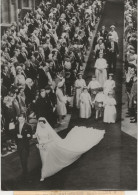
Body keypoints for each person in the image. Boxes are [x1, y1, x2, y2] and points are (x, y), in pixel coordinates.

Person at [34, 117, 105, 181]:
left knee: (47, 159)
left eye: (42, 123)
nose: (41, 125)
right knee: (44, 159)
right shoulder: (38, 131)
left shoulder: (48, 131)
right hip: (42, 147)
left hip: (48, 146)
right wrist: (39, 144)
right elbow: (38, 138)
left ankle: (44, 174)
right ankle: (45, 172)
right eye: (40, 124)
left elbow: (51, 139)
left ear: (45, 123)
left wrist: (43, 143)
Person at [15, 114, 32, 180]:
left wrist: (24, 136)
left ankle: (26, 174)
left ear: (24, 119)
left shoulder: (28, 126)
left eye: (21, 119)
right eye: (19, 119)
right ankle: (24, 171)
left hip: (25, 146)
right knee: (22, 160)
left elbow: (30, 136)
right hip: (19, 146)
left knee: (24, 160)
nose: (20, 120)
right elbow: (15, 135)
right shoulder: (16, 125)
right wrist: (16, 144)